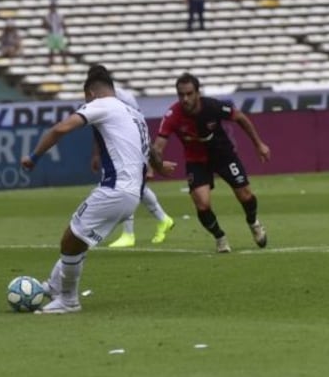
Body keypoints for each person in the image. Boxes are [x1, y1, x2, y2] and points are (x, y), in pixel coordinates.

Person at [20, 64, 163, 314]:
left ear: (91, 93)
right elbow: (150, 147)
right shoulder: (133, 113)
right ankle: (54, 286)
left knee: (70, 239)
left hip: (115, 190)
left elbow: (59, 129)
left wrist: (34, 157)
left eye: (85, 98)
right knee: (79, 239)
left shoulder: (101, 104)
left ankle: (68, 300)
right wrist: (160, 167)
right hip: (132, 193)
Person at [151, 72, 270, 253]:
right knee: (202, 203)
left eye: (189, 94)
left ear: (198, 93)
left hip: (223, 155)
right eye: (181, 95)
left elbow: (240, 118)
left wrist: (259, 144)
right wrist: (158, 166)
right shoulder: (173, 115)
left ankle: (253, 223)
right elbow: (157, 146)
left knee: (245, 195)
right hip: (196, 161)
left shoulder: (213, 106)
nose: (185, 99)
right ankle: (220, 237)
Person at [88, 72, 176, 247]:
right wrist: (97, 153)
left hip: (128, 148)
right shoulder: (98, 101)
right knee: (134, 187)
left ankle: (128, 234)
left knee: (125, 185)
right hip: (112, 148)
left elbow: (139, 124)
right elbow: (99, 128)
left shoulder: (123, 97)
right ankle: (162, 219)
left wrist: (148, 157)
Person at [44, 1, 69, 66]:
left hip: (58, 33)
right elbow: (44, 24)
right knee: (51, 48)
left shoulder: (59, 15)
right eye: (51, 7)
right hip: (51, 34)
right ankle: (51, 61)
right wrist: (47, 26)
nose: (52, 8)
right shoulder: (47, 16)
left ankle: (64, 61)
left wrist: (66, 33)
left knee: (61, 48)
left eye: (53, 7)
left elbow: (63, 24)